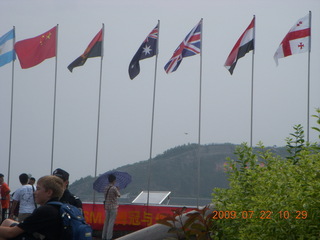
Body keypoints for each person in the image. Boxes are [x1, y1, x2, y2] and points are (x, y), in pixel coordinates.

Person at [0, 175, 64, 240]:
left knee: (4, 234)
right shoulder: (59, 207)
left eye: (38, 189)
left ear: (49, 192)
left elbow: (11, 233)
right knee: (7, 222)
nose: (34, 192)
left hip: (23, 212)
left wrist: (12, 212)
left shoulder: (45, 210)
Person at [102, 174, 120, 240]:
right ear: (113, 180)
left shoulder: (105, 188)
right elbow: (119, 195)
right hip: (113, 207)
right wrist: (118, 189)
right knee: (111, 223)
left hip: (107, 207)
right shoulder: (114, 188)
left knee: (106, 222)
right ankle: (109, 237)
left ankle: (103, 236)